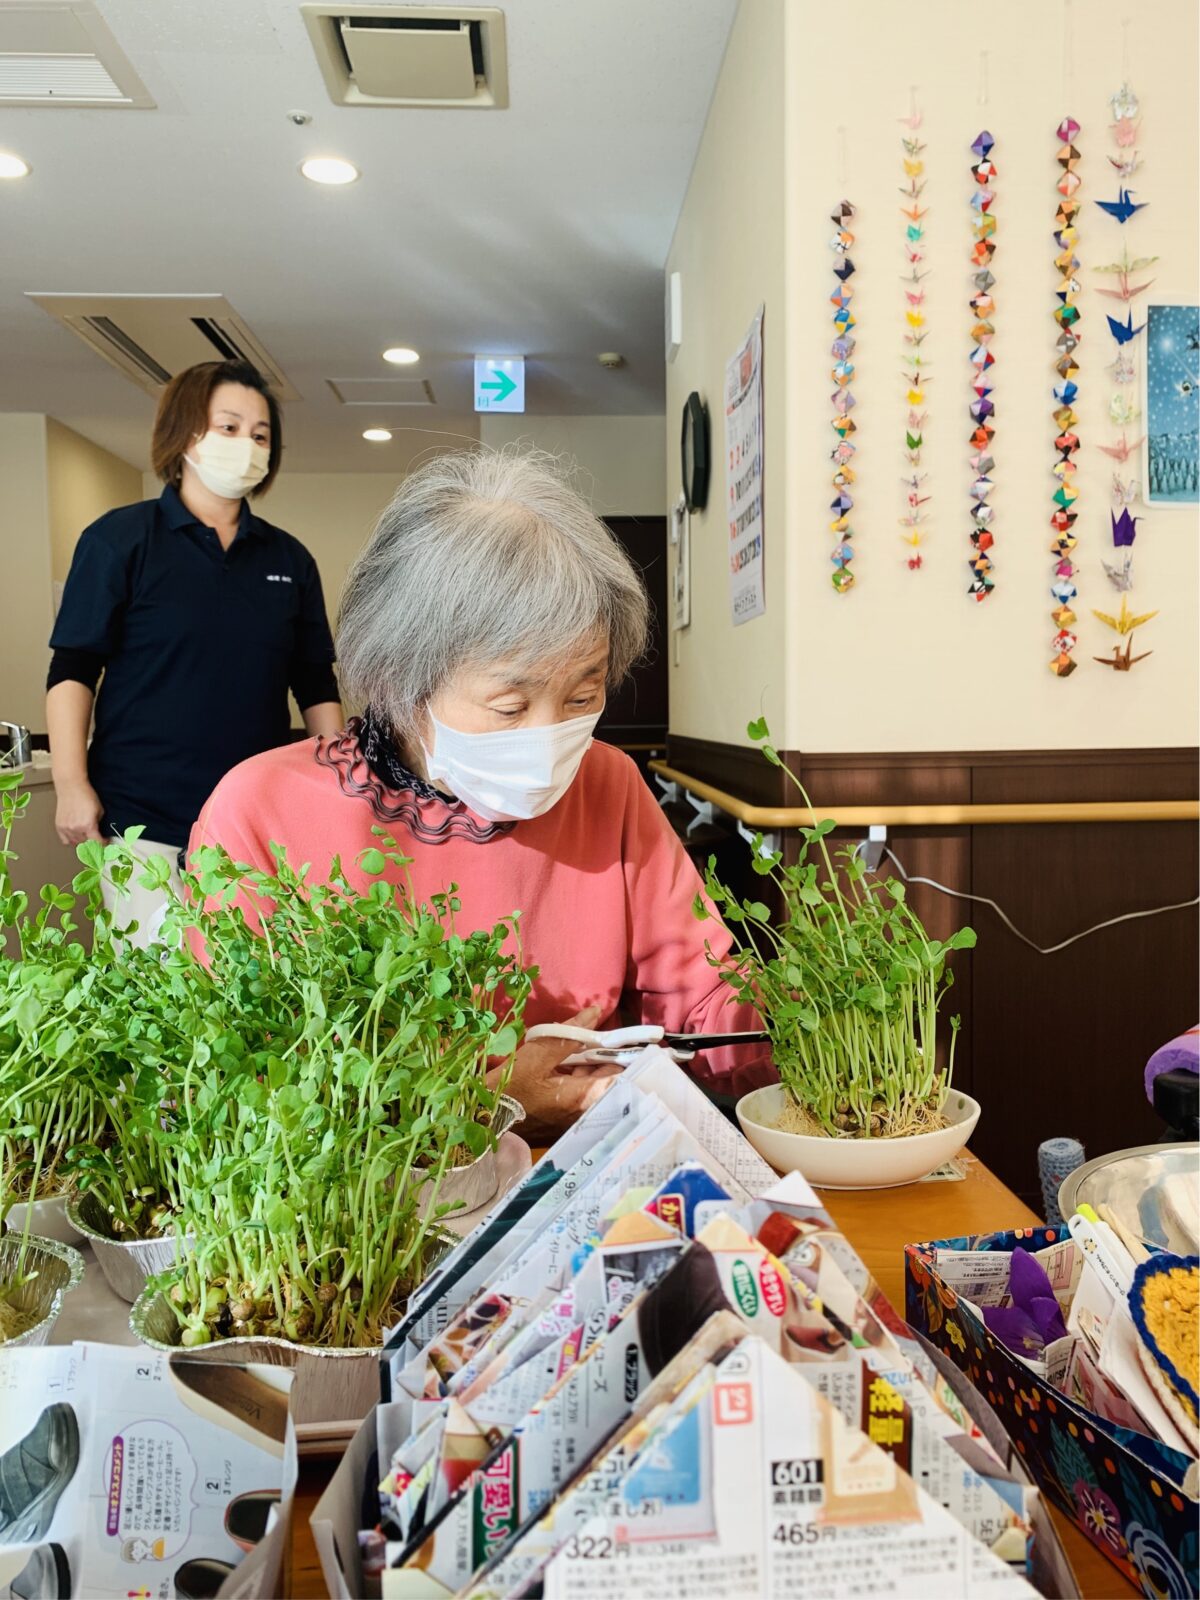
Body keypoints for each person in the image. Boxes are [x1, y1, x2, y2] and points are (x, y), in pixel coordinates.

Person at [193, 449, 774, 1131]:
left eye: (582, 695)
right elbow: (239, 1089)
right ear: (403, 680)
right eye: (509, 706)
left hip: (588, 1168)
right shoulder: (261, 811)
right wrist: (489, 1098)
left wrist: (806, 1020)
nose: (549, 737)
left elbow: (704, 1003)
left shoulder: (607, 783)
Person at [47, 359, 342, 942]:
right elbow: (73, 667)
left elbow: (315, 683)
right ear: (184, 434)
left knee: (252, 979)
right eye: (229, 427)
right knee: (158, 977)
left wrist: (337, 785)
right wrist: (70, 784)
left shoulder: (289, 559)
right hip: (139, 817)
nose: (247, 445)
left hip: (253, 816)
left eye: (260, 435)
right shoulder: (118, 540)